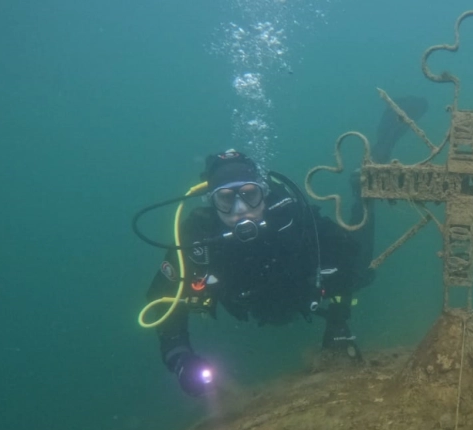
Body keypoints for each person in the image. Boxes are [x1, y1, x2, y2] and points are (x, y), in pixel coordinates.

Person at [141, 98, 428, 397]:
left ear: (264, 194)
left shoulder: (289, 215)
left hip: (302, 292)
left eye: (250, 195)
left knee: (360, 267)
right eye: (226, 199)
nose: (241, 209)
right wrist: (180, 360)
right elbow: (162, 301)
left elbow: (345, 256)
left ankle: (367, 184)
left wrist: (338, 321)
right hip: (255, 306)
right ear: (211, 203)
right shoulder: (197, 239)